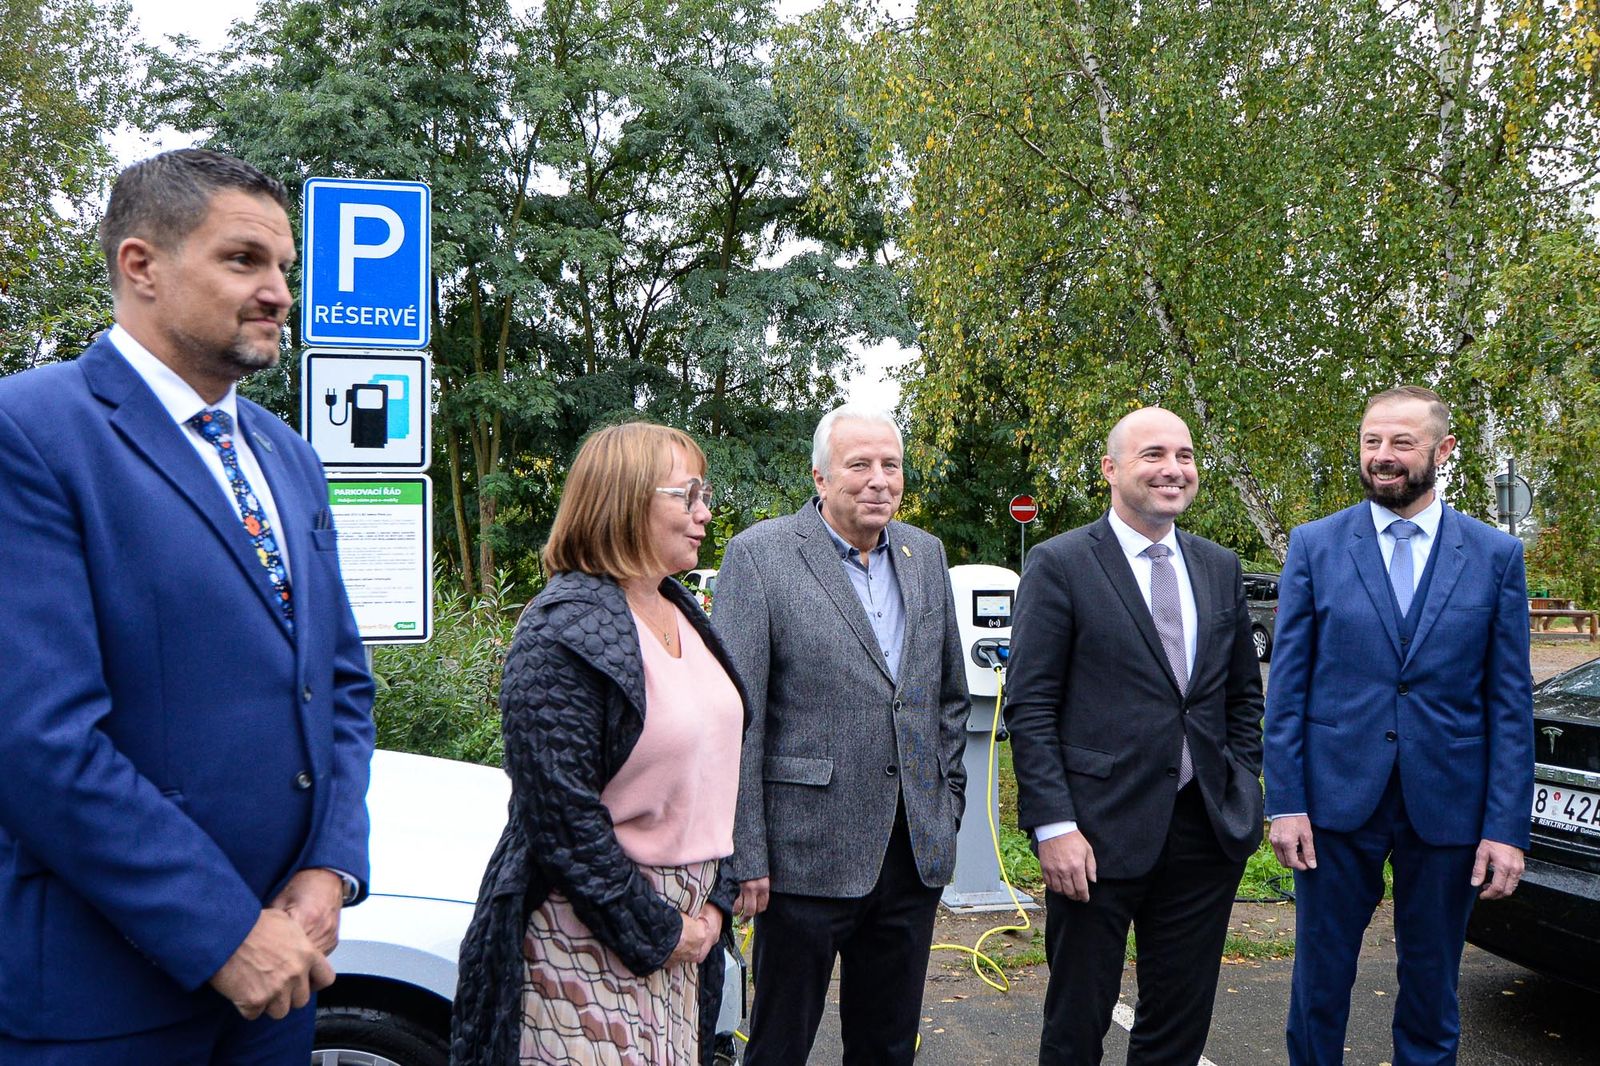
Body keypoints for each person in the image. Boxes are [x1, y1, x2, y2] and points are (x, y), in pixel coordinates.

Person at [0, 149, 375, 1063]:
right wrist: (220, 934)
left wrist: (330, 867)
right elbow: (39, 740)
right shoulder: (32, 433)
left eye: (284, 267)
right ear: (142, 266)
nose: (280, 292)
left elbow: (339, 686)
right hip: (105, 1000)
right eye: (244, 261)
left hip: (282, 984)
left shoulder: (287, 456)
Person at [450, 422, 749, 1066]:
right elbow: (559, 816)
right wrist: (660, 929)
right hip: (589, 935)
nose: (705, 512)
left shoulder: (682, 610)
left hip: (686, 939)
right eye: (688, 494)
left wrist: (715, 908)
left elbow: (720, 770)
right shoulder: (560, 631)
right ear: (625, 500)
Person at [1264, 385, 1534, 1065]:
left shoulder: (1495, 557)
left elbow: (1508, 705)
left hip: (1448, 809)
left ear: (1443, 450)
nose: (1381, 457)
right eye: (1371, 442)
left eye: (1401, 443)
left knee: (1431, 991)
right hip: (1332, 805)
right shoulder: (1316, 546)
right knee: (1318, 987)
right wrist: (1286, 802)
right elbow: (1288, 688)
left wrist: (1505, 828)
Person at [1005, 406, 1265, 1066]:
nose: (1172, 469)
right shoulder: (1061, 564)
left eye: (1184, 455)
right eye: (1153, 454)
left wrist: (1239, 781)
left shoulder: (1218, 567)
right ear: (1111, 469)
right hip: (1093, 835)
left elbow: (1240, 697)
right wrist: (1053, 825)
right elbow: (1031, 706)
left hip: (1203, 829)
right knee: (1077, 1022)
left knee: (1177, 1026)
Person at [712, 402, 971, 1066]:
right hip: (800, 857)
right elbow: (739, 714)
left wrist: (945, 807)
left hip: (910, 853)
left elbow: (945, 699)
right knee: (779, 1044)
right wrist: (747, 853)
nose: (879, 479)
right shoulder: (760, 555)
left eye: (892, 465)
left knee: (887, 1045)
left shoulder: (924, 554)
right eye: (860, 465)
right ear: (821, 477)